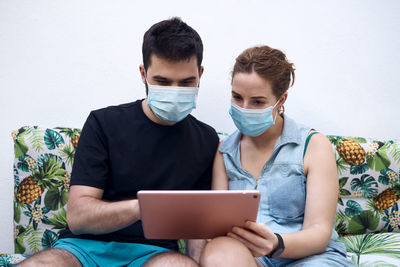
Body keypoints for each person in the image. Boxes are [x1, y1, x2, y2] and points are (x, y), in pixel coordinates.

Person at [18, 17, 219, 267]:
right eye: (163, 82)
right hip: (82, 249)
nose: (175, 91)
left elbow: (195, 226)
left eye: (187, 82)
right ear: (143, 74)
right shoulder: (103, 123)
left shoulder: (207, 140)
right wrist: (144, 207)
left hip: (155, 253)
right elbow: (78, 217)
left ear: (200, 74)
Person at [199, 46, 354, 266]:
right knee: (218, 250)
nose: (245, 108)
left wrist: (276, 243)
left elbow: (319, 232)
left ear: (281, 100)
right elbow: (219, 226)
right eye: (237, 97)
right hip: (249, 259)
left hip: (311, 257)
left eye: (258, 102)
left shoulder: (313, 145)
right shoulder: (224, 151)